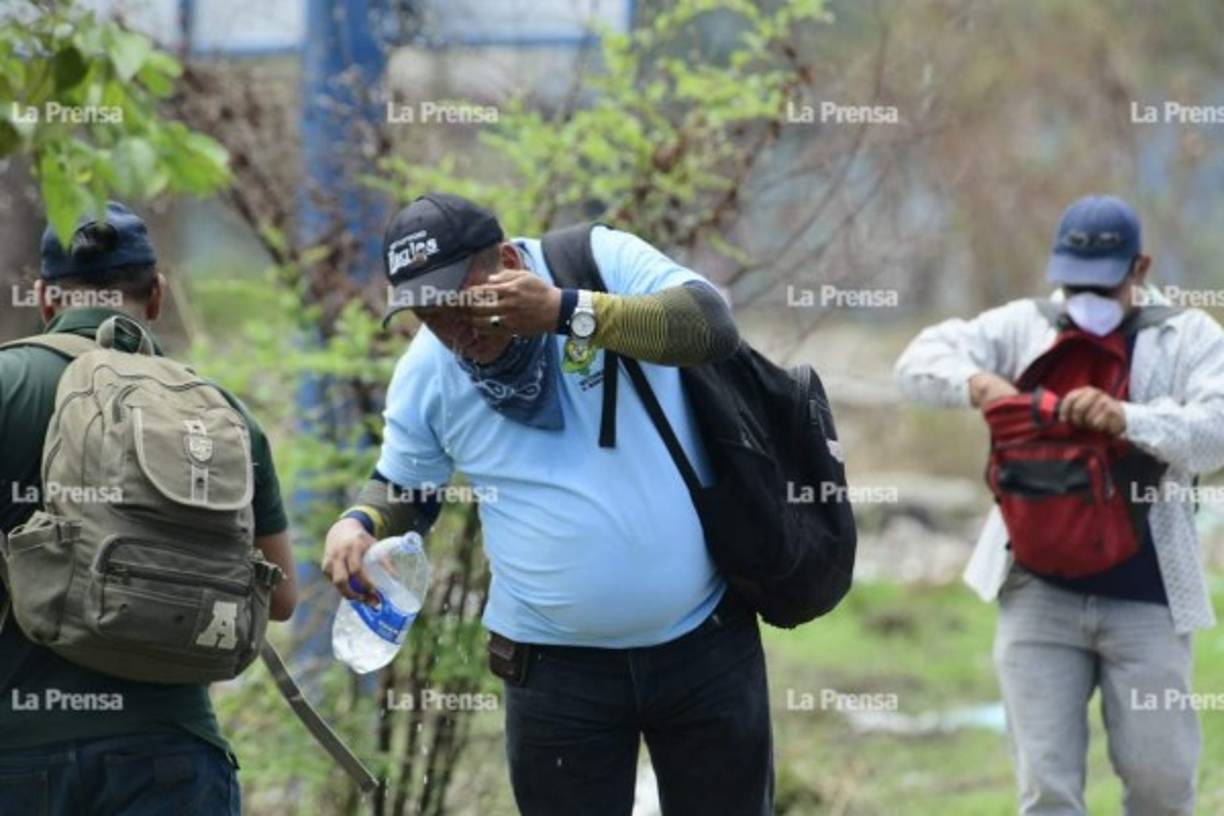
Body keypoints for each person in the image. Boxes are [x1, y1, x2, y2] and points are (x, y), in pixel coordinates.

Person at [321, 192, 773, 815]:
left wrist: (568, 313)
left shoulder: (595, 264)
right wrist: (359, 523)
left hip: (704, 646)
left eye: (460, 303)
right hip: (556, 676)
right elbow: (405, 485)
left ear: (507, 261)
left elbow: (709, 325)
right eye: (428, 315)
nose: (454, 332)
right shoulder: (429, 372)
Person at [894, 194, 1224, 816]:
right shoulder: (1025, 326)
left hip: (1150, 596)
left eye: (1102, 285)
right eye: (1073, 283)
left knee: (1162, 785)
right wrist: (976, 383)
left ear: (1140, 269)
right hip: (1036, 591)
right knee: (1047, 791)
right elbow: (915, 362)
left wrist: (1127, 418)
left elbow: (1216, 432)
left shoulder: (1187, 337)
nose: (1086, 299)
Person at [0, 202, 297, 816]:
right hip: (174, 757)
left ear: (44, 298)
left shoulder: (7, 383)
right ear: (157, 295)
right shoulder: (218, 413)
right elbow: (283, 596)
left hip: (19, 747)